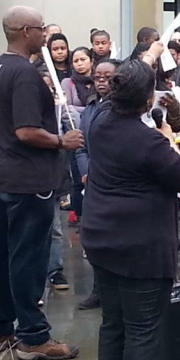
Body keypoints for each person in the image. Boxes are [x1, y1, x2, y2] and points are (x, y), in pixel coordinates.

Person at [81, 56, 180, 360]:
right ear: (147, 102)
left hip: (102, 238)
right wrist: (166, 137)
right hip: (141, 246)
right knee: (143, 330)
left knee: (113, 325)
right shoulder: (148, 141)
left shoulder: (98, 122)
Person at [0, 6, 82, 360]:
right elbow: (26, 131)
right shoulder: (24, 73)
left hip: (2, 175)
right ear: (26, 31)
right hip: (28, 179)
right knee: (28, 258)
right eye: (41, 29)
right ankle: (33, 336)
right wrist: (61, 141)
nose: (46, 34)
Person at [74, 58, 118, 311]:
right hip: (92, 180)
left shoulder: (120, 109)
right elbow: (81, 144)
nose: (101, 81)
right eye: (98, 76)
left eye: (107, 77)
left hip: (112, 180)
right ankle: (98, 289)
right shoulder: (90, 108)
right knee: (94, 237)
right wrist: (86, 170)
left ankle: (111, 290)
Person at [61, 46, 94, 114]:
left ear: (91, 61)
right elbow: (67, 109)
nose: (79, 64)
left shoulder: (99, 80)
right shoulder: (67, 83)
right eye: (76, 61)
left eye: (83, 59)